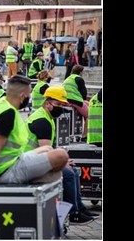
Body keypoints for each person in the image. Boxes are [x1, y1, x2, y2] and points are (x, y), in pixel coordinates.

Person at [24, 86, 98, 224]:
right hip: (30, 163)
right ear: (48, 103)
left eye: (63, 105)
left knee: (74, 171)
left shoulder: (47, 117)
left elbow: (50, 148)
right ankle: (73, 213)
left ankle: (80, 208)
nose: (61, 108)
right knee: (68, 173)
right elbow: (45, 151)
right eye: (58, 104)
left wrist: (64, 160)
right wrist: (62, 163)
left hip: (34, 159)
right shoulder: (42, 121)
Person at [0, 75, 69, 186]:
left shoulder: (3, 103)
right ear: (22, 96)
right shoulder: (7, 113)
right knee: (61, 156)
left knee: (48, 148)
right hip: (6, 170)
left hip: (14, 160)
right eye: (29, 94)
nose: (30, 97)